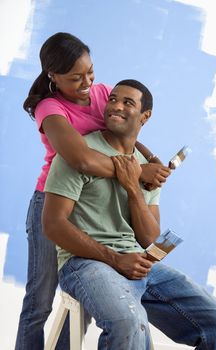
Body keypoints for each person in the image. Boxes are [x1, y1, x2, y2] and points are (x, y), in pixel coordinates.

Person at [43, 79, 216, 350]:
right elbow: (53, 225)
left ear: (145, 116)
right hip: (85, 263)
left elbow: (150, 238)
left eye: (127, 102)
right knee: (129, 322)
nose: (115, 106)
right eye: (112, 99)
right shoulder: (78, 155)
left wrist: (133, 187)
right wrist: (115, 259)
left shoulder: (149, 170)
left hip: (137, 262)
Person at [15, 33, 171, 350]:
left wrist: (152, 159)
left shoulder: (101, 93)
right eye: (76, 78)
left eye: (90, 72)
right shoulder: (50, 108)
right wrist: (138, 171)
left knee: (86, 297)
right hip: (55, 199)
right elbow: (81, 158)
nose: (87, 82)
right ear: (53, 76)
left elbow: (126, 129)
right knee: (40, 300)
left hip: (95, 201)